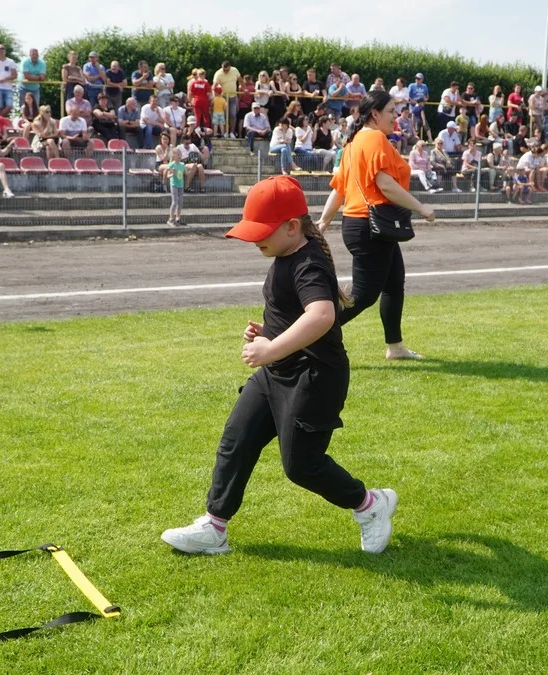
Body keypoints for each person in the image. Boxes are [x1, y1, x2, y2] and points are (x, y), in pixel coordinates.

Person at [161, 176, 398, 555]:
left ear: (292, 227)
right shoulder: (284, 253)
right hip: (276, 374)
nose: (255, 239)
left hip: (314, 379)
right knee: (236, 441)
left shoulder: (309, 263)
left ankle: (370, 505)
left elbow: (321, 316)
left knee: (302, 466)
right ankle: (214, 527)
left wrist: (270, 349)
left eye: (263, 231)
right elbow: (296, 314)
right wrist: (267, 330)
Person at [317, 91, 435, 360]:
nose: (396, 116)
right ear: (375, 114)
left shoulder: (353, 143)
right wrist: (420, 207)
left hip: (365, 225)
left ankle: (395, 347)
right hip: (369, 227)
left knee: (393, 285)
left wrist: (324, 221)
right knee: (363, 295)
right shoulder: (375, 138)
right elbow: (385, 184)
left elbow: (339, 190)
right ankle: (309, 335)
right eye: (392, 111)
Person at [165, 148, 185, 226]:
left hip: (181, 185)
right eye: (178, 154)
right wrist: (172, 174)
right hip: (174, 184)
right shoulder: (172, 164)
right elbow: (167, 175)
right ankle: (170, 219)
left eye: (180, 154)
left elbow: (186, 173)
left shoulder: (182, 165)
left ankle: (178, 218)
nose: (179, 155)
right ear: (174, 155)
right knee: (174, 201)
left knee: (180, 202)